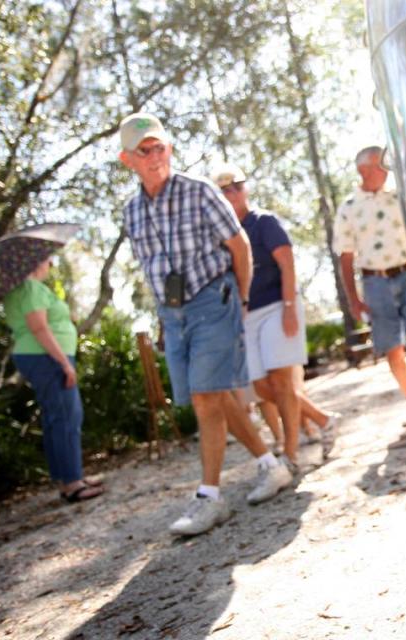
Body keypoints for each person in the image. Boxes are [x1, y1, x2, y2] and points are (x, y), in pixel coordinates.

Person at [118, 113, 291, 536]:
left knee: (205, 396)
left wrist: (243, 298)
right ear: (128, 160)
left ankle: (209, 496)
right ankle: (271, 465)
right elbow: (151, 269)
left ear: (169, 150)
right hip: (172, 314)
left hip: (214, 298)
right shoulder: (132, 212)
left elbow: (239, 245)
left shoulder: (199, 192)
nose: (156, 155)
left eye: (160, 146)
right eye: (146, 150)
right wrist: (162, 319)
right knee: (212, 396)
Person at [210, 163, 337, 468]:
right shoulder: (219, 236)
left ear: (245, 188)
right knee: (261, 388)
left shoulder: (263, 222)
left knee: (281, 382)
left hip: (277, 307)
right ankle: (324, 419)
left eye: (236, 187)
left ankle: (291, 455)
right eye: (224, 191)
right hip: (246, 315)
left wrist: (290, 308)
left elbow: (287, 265)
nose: (232, 194)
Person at [333, 146, 406, 444]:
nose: (386, 170)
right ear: (364, 171)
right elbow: (346, 256)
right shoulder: (348, 207)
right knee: (392, 348)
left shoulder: (400, 198)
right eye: (380, 166)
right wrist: (353, 299)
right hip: (375, 283)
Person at [4, 256, 105, 503]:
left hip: (38, 356)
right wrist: (63, 363)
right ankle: (72, 483)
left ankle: (68, 477)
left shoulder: (20, 289)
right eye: (48, 259)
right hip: (46, 358)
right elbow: (39, 328)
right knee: (66, 416)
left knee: (56, 417)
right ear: (36, 262)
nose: (50, 263)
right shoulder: (30, 288)